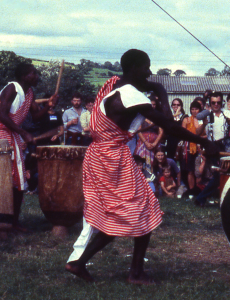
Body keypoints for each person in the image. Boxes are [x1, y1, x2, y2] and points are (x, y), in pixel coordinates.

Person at [65, 49, 217, 285]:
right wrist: (202, 139)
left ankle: (83, 262)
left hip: (101, 156)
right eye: (147, 67)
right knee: (140, 209)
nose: (150, 72)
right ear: (135, 68)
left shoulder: (113, 89)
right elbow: (168, 123)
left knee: (124, 212)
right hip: (112, 159)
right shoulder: (130, 95)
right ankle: (132, 272)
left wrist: (153, 90)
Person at [0, 63, 56, 231]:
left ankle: (13, 221)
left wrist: (49, 105)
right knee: (1, 178)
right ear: (24, 76)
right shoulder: (12, 88)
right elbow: (2, 116)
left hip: (13, 134)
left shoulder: (30, 93)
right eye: (34, 73)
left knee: (18, 179)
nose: (37, 76)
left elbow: (36, 117)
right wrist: (23, 133)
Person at [134, 94, 164, 164]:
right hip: (143, 142)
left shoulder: (158, 116)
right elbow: (139, 131)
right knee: (142, 162)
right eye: (151, 104)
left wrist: (154, 143)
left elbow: (161, 131)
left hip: (155, 142)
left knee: (155, 163)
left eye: (154, 104)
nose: (152, 106)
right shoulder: (141, 115)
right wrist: (146, 143)